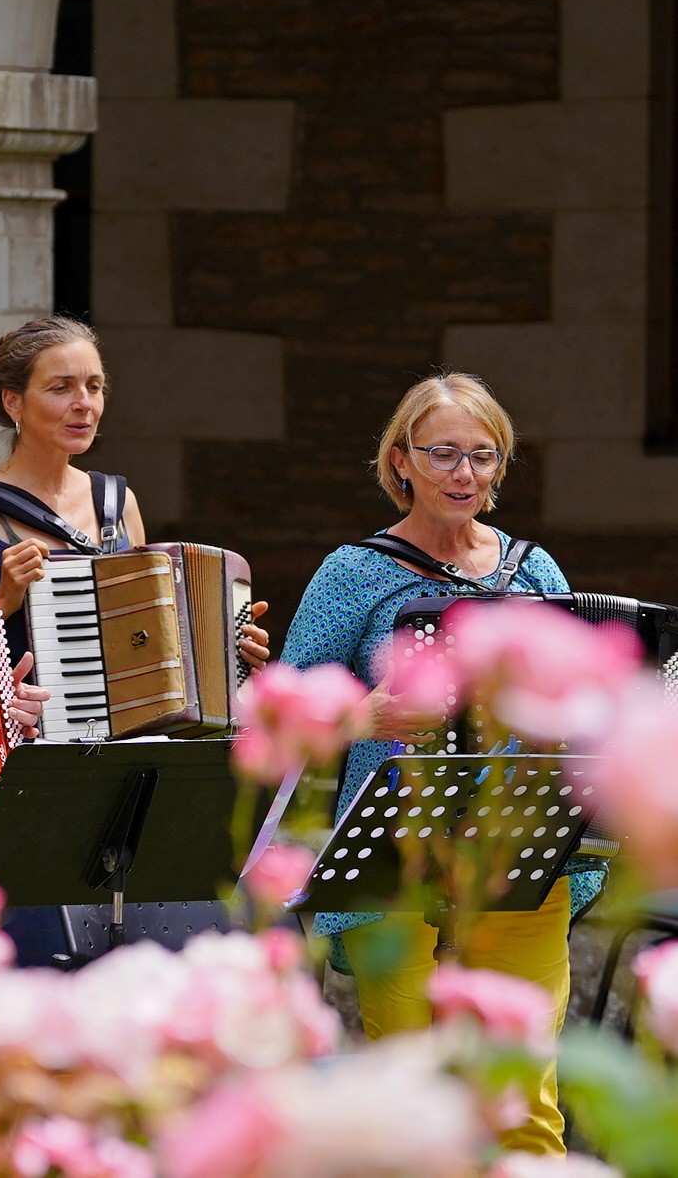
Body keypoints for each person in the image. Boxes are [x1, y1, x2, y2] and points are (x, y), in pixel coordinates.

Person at [279, 371, 585, 1156]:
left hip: (518, 847)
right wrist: (365, 716)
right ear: (401, 460)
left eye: (483, 455)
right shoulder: (355, 572)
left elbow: (575, 692)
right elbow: (285, 713)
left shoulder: (534, 570)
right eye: (443, 453)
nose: (464, 473)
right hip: (393, 850)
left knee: (523, 1100)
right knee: (410, 1102)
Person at [0, 314, 269, 666]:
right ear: (13, 402)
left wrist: (223, 649)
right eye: (61, 388)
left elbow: (141, 644)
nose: (84, 403)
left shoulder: (119, 504)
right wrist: (4, 602)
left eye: (94, 387)